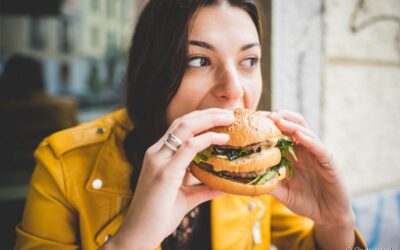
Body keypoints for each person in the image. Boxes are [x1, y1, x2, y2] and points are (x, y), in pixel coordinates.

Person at [14, 0, 367, 249]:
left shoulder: (257, 166)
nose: (234, 91)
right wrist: (131, 241)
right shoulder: (63, 163)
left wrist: (336, 225)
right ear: (153, 70)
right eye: (198, 60)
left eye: (249, 60)